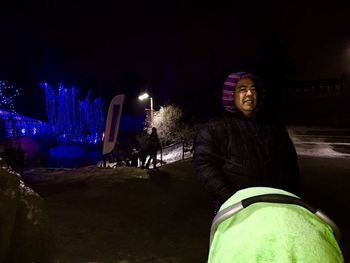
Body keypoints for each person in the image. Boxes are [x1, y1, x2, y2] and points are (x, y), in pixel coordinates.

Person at [194, 71, 300, 213]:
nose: (250, 93)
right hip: (236, 209)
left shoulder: (274, 125)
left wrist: (291, 195)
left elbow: (290, 162)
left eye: (253, 89)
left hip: (279, 205)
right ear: (231, 94)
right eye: (242, 89)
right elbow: (204, 166)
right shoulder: (213, 128)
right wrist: (232, 199)